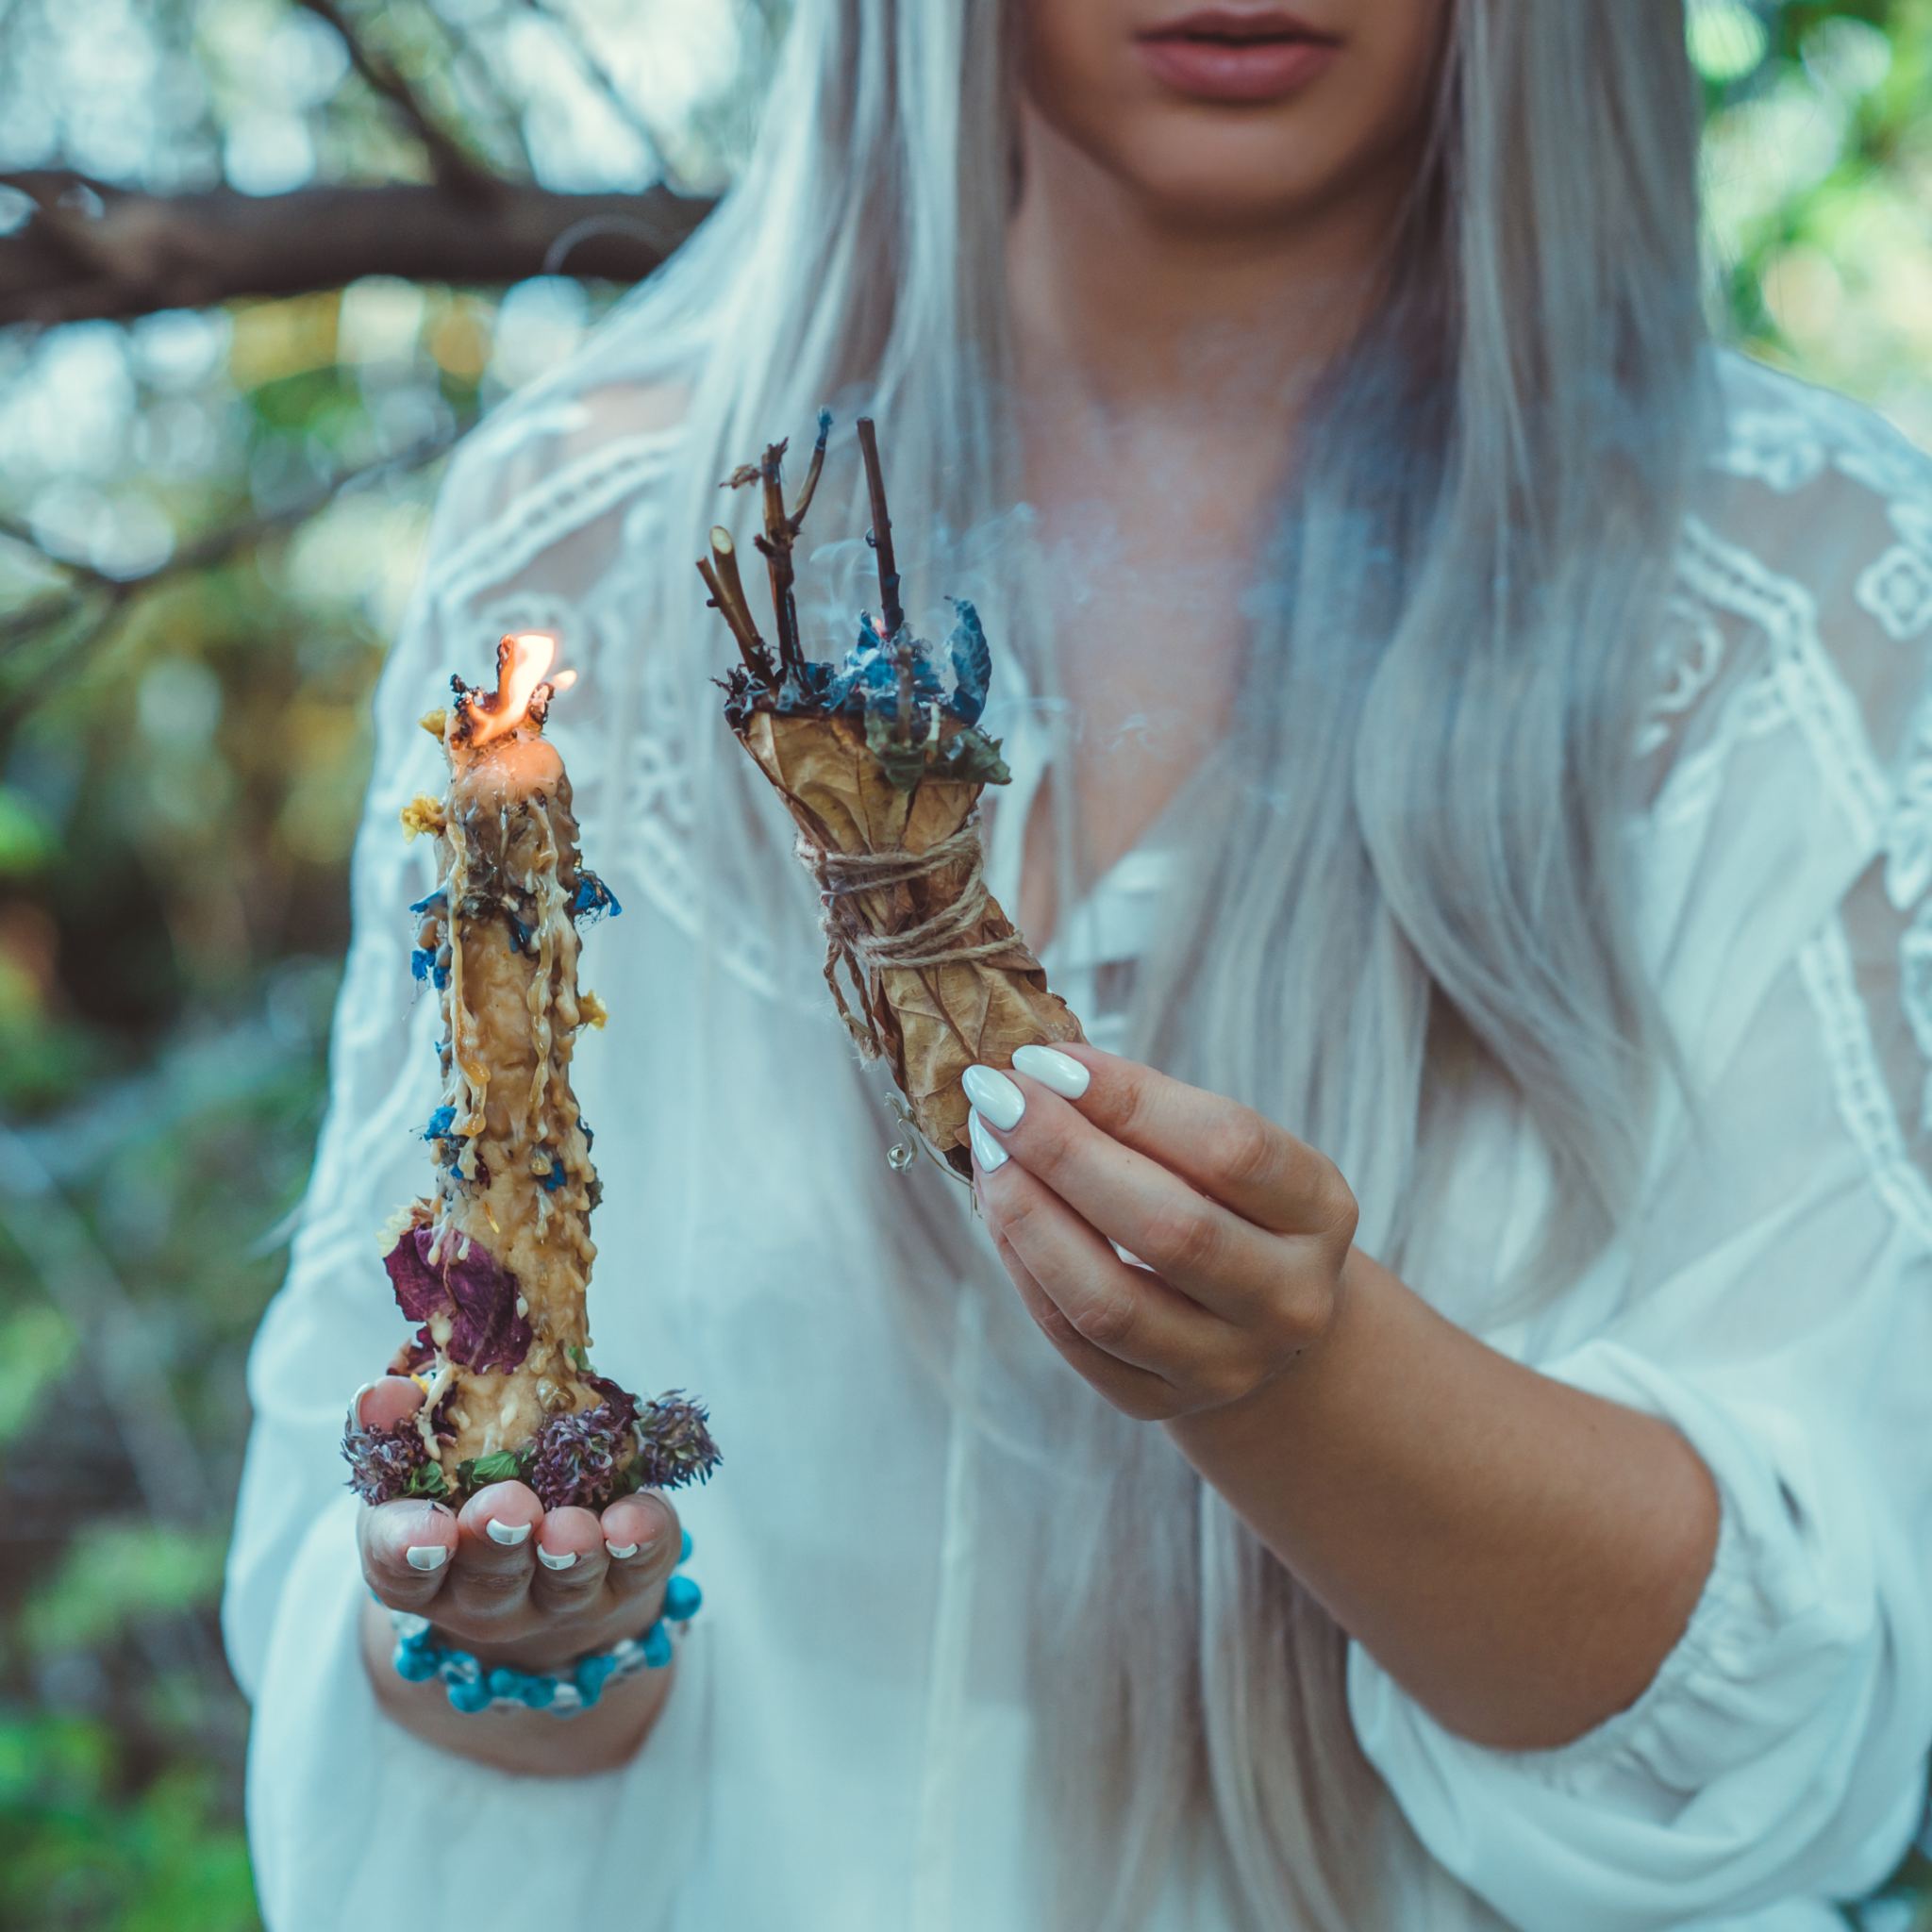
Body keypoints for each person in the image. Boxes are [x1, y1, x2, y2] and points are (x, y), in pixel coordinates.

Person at [223, 1, 1932, 1926]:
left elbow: (1777, 1735)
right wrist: (526, 1628)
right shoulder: (586, 557)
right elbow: (379, 1604)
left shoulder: (1805, 613)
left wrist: (1301, 1377)